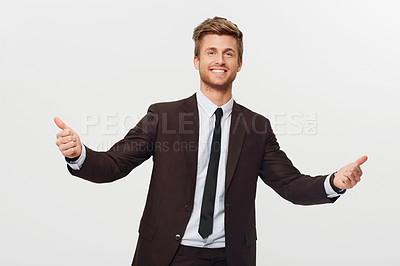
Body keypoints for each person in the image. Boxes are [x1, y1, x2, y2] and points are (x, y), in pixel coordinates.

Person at [54, 17, 367, 266]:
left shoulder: (256, 127)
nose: (220, 60)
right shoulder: (163, 117)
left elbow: (290, 184)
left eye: (228, 53)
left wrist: (334, 182)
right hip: (168, 254)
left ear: (239, 64)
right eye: (211, 52)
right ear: (196, 61)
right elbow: (113, 165)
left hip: (230, 256)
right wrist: (80, 154)